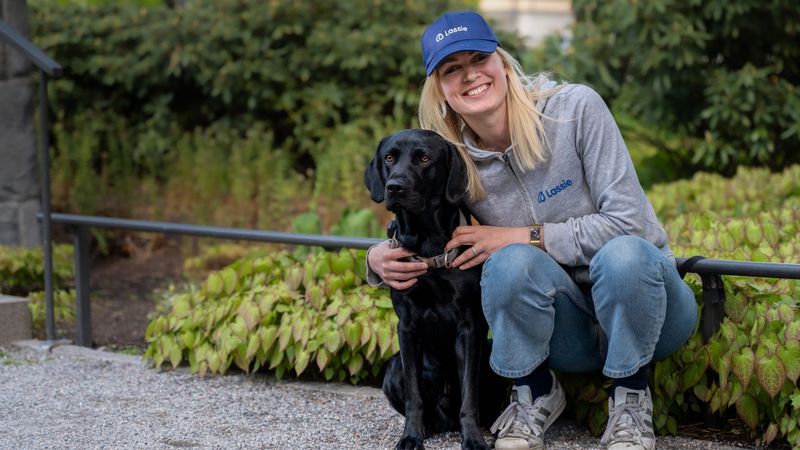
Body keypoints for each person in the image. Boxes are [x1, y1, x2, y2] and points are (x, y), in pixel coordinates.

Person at [366, 10, 698, 450]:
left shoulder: (576, 109)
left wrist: (524, 234)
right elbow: (423, 225)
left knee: (623, 254)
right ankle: (536, 390)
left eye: (478, 59)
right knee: (507, 265)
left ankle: (631, 398)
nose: (470, 76)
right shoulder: (453, 161)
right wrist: (375, 260)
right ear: (441, 88)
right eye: (452, 69)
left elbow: (629, 223)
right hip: (567, 334)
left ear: (501, 62)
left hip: (652, 312)